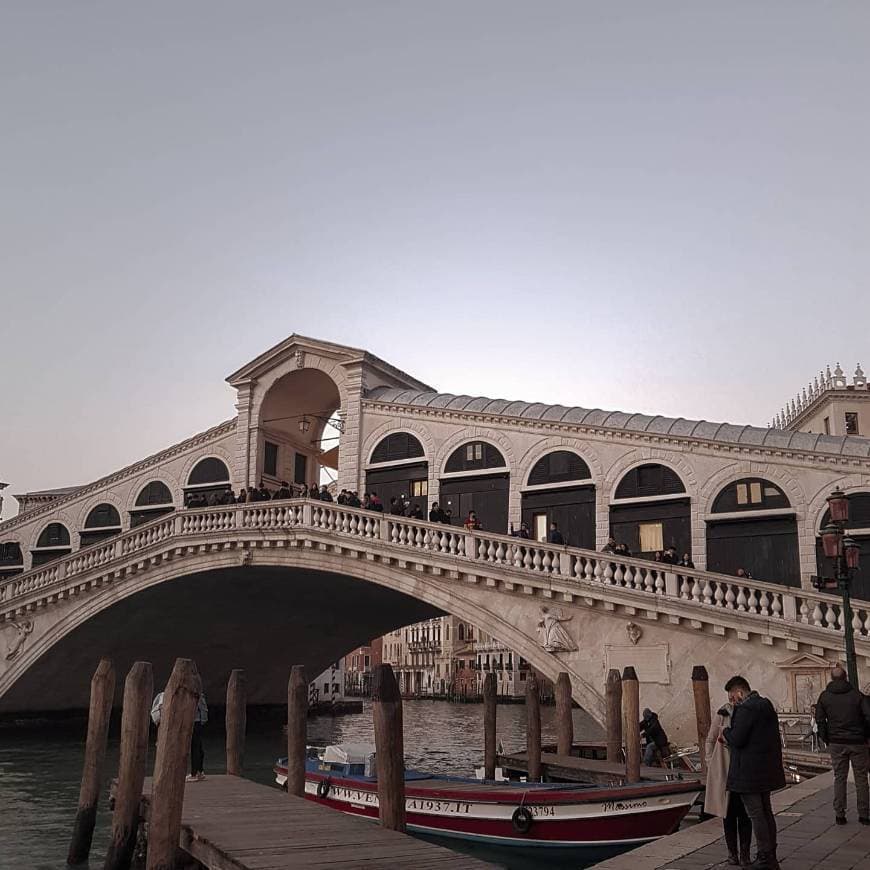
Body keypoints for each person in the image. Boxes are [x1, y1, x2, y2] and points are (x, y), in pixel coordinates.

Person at [723, 675, 785, 870]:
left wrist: (725, 732)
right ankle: (771, 854)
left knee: (756, 814)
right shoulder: (766, 706)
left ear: (740, 692)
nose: (732, 701)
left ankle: (765, 857)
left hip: (748, 772)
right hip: (766, 769)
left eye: (732, 697)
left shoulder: (745, 709)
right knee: (766, 812)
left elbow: (738, 739)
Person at [814, 664, 870, 825]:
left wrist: (827, 738)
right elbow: (868, 717)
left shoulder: (824, 696)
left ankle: (840, 814)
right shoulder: (857, 695)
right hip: (857, 742)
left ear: (832, 678)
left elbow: (819, 720)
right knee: (861, 779)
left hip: (836, 742)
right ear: (845, 677)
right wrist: (865, 735)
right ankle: (864, 815)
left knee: (839, 777)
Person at [706, 701, 753, 866]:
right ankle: (732, 854)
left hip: (743, 771)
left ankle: (745, 854)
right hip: (726, 772)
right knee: (729, 815)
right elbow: (710, 740)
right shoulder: (721, 715)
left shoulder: (747, 715)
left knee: (745, 815)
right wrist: (710, 762)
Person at [150, 689, 209, 782]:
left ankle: (195, 773)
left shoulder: (193, 694)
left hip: (188, 722)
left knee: (194, 747)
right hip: (187, 722)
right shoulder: (195, 694)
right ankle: (198, 772)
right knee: (196, 747)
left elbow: (157, 712)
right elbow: (203, 709)